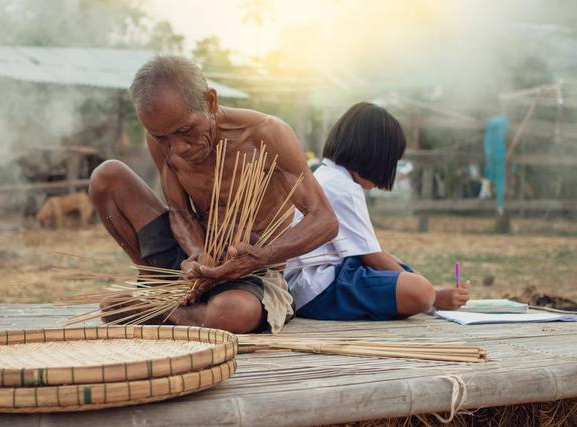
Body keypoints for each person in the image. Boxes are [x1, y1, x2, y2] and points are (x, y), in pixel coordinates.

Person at [89, 56, 338, 333]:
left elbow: (325, 219)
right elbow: (179, 211)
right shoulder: (162, 136)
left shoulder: (265, 135)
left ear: (210, 102)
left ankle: (170, 313)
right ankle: (157, 285)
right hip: (192, 261)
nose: (178, 147)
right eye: (162, 138)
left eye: (185, 130)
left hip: (252, 272)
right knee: (107, 176)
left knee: (231, 314)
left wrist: (260, 256)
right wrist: (197, 253)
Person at [284, 102, 470, 321]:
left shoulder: (328, 176)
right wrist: (435, 296)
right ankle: (431, 295)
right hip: (318, 289)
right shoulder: (342, 188)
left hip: (314, 282)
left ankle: (429, 291)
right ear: (372, 156)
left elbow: (373, 254)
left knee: (404, 270)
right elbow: (374, 259)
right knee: (420, 291)